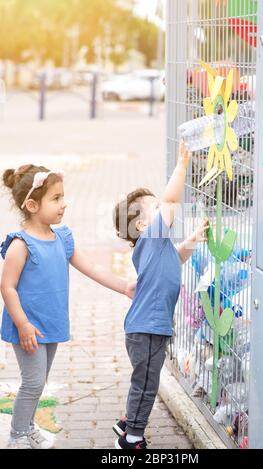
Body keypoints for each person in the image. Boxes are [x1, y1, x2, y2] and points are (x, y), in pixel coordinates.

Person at [0, 164, 135, 449]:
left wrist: (123, 286)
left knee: (40, 380)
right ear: (33, 205)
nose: (64, 204)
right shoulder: (20, 245)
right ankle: (17, 436)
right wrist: (23, 323)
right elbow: (7, 287)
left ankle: (27, 427)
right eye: (56, 198)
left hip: (51, 322)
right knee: (33, 382)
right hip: (29, 326)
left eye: (63, 197)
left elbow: (91, 267)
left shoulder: (62, 237)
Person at [112, 142, 209, 449]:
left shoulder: (158, 247)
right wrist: (182, 164)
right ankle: (133, 439)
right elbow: (170, 199)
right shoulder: (151, 238)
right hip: (148, 330)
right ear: (142, 225)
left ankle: (127, 422)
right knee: (147, 384)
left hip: (146, 329)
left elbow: (177, 258)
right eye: (154, 210)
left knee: (142, 380)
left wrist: (193, 239)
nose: (162, 213)